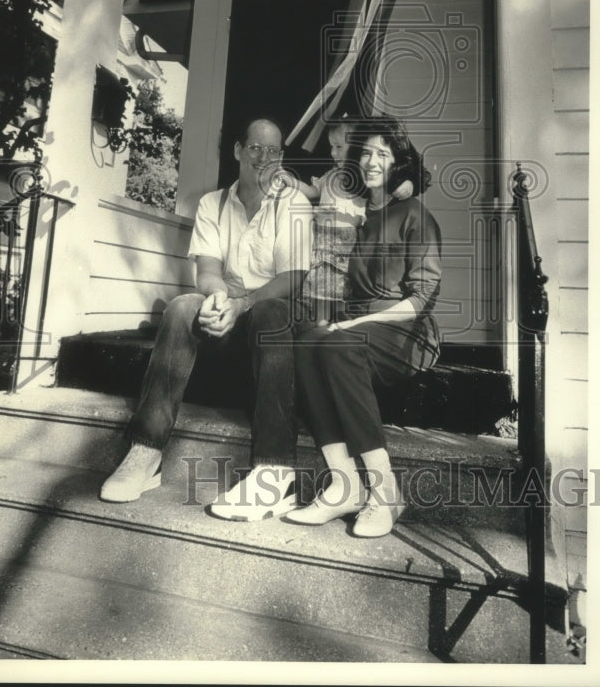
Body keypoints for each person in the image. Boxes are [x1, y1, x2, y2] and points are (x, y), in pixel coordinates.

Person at [100, 116, 313, 522]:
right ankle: (146, 450)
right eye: (255, 148)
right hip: (227, 315)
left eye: (273, 151)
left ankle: (273, 472)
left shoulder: (294, 204)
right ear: (237, 151)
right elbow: (209, 271)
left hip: (266, 323)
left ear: (281, 157)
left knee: (272, 311)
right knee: (183, 307)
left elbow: (292, 278)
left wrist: (241, 305)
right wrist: (218, 300)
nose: (263, 159)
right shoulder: (213, 203)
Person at [288, 116, 442, 537]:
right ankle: (344, 484)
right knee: (304, 340)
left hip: (405, 329)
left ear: (398, 162)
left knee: (338, 344)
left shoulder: (414, 214)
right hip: (354, 325)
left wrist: (358, 322)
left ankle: (385, 488)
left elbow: (420, 299)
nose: (372, 161)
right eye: (366, 153)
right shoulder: (354, 213)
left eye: (383, 154)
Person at [280, 116, 428, 325]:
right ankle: (318, 332)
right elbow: (313, 192)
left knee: (341, 304)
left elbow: (392, 188)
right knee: (318, 305)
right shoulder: (332, 176)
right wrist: (291, 182)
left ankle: (334, 332)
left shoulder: (365, 179)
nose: (333, 153)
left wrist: (408, 184)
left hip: (346, 255)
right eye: (332, 147)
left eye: (339, 146)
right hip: (322, 250)